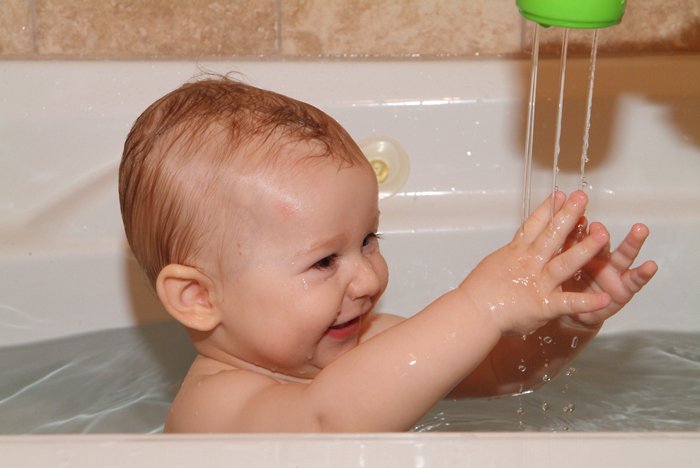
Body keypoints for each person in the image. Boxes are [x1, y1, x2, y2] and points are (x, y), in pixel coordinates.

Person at [118, 77, 657, 433]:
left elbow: (502, 373)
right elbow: (327, 423)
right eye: (324, 261)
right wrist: (480, 306)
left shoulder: (368, 340)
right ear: (198, 298)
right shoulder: (215, 408)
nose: (368, 280)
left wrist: (570, 320)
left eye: (368, 240)